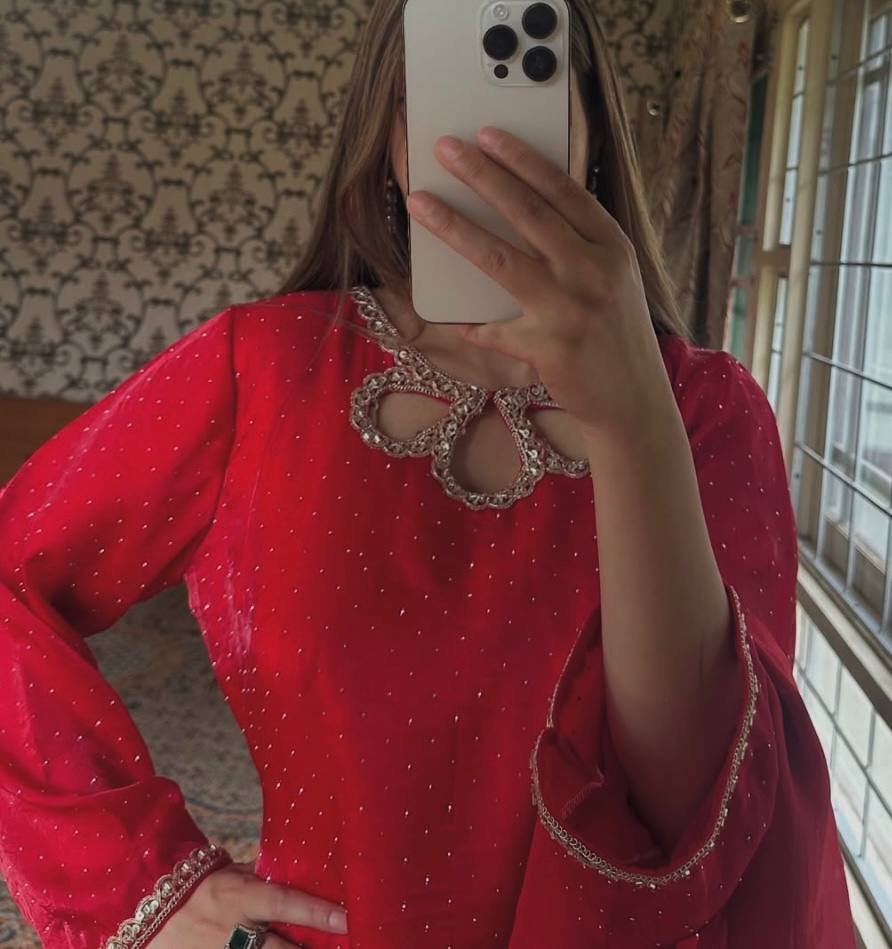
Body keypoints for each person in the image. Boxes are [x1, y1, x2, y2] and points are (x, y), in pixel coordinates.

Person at [0, 2, 858, 948]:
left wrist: (634, 420)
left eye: (529, 82)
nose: (486, 139)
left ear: (592, 130)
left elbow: (698, 809)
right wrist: (147, 887)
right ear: (390, 140)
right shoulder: (262, 370)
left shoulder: (706, 413)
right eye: (443, 91)